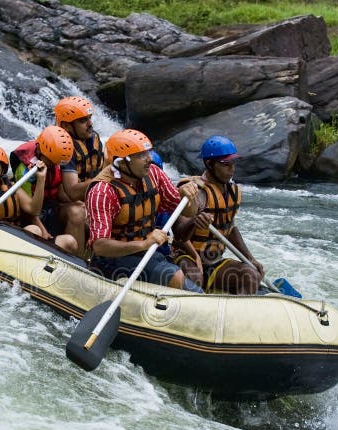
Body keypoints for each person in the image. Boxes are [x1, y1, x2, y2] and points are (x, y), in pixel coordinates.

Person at [86, 129, 202, 291]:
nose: (149, 159)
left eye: (148, 152)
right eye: (141, 155)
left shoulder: (154, 174)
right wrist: (143, 244)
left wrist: (188, 196)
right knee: (175, 276)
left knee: (187, 280)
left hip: (147, 253)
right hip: (111, 260)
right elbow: (100, 246)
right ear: (121, 162)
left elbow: (189, 212)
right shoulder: (102, 191)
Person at [0, 110, 77, 254]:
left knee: (69, 241)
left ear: (2, 169)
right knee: (34, 230)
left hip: (15, 241)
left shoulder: (12, 187)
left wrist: (41, 178)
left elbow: (34, 210)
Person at [173, 135, 263, 295]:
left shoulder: (232, 192)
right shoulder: (193, 190)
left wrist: (249, 258)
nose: (232, 168)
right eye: (225, 164)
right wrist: (194, 222)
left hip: (214, 261)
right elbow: (179, 234)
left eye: (233, 162)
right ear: (209, 164)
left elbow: (230, 228)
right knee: (194, 278)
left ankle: (237, 317)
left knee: (250, 274)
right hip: (187, 258)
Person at [11, 128, 87, 258]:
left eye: (57, 162)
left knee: (77, 211)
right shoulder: (24, 170)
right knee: (39, 231)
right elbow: (31, 211)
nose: (54, 165)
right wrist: (44, 231)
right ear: (41, 151)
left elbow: (58, 191)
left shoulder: (57, 159)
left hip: (50, 208)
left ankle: (81, 262)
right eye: (52, 161)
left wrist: (78, 203)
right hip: (31, 217)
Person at [54, 96, 106, 203]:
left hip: (91, 192)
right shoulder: (62, 147)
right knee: (77, 214)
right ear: (66, 126)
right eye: (83, 121)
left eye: (89, 118)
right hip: (66, 204)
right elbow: (72, 193)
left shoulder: (93, 138)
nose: (90, 123)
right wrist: (107, 178)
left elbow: (104, 165)